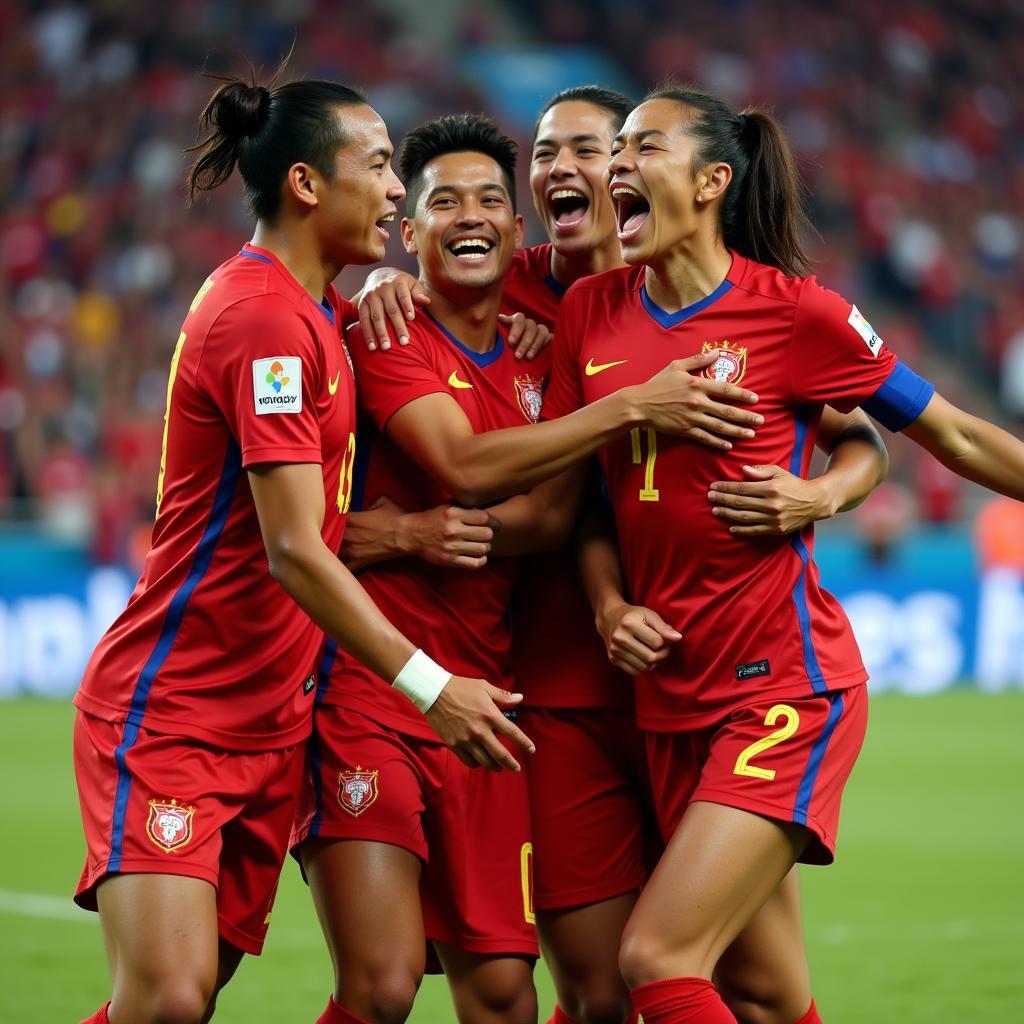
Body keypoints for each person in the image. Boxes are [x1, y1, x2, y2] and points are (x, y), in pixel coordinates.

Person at [356, 87, 889, 1024]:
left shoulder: (728, 296)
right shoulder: (509, 283)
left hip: (707, 681)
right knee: (607, 990)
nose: (570, 167)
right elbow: (432, 273)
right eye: (547, 152)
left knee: (753, 983)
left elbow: (863, 437)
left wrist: (819, 494)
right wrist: (379, 284)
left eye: (598, 148)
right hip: (559, 688)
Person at [540, 84, 1024, 1024]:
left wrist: (819, 493)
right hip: (670, 701)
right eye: (618, 150)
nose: (616, 168)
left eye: (644, 147)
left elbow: (954, 438)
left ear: (715, 179)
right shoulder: (589, 313)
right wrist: (606, 607)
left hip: (783, 689)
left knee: (659, 956)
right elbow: (586, 505)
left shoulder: (798, 316)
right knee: (759, 993)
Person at [71, 73, 536, 1024]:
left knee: (187, 1001)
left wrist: (397, 287)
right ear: (307, 185)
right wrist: (428, 685)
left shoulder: (317, 311)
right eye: (377, 165)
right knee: (166, 1002)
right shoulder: (265, 320)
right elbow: (293, 549)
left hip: (271, 722)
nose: (396, 189)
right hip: (176, 713)